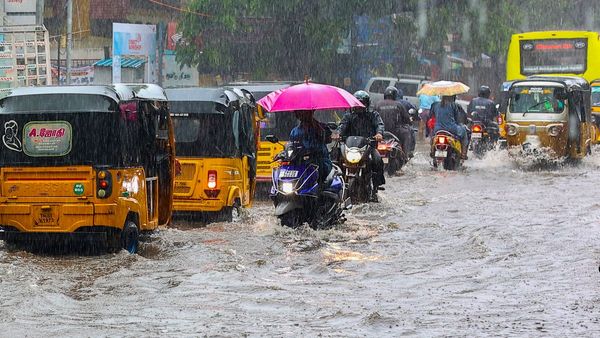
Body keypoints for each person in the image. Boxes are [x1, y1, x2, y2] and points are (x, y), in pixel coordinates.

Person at [335, 90, 385, 202]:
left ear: (366, 104)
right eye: (357, 103)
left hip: (368, 147)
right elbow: (342, 126)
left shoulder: (373, 115)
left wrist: (379, 134)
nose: (359, 106)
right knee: (335, 157)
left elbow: (379, 125)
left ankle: (376, 186)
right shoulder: (348, 116)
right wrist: (338, 134)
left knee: (377, 160)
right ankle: (336, 185)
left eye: (361, 103)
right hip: (350, 148)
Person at [289, 110, 332, 183]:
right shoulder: (295, 131)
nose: (301, 116)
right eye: (299, 113)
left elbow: (328, 140)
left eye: (303, 113)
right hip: (300, 163)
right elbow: (292, 145)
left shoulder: (321, 128)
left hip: (319, 162)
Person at [375, 86, 413, 160]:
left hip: (380, 132)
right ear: (395, 95)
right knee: (407, 132)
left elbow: (373, 118)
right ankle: (405, 156)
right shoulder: (398, 105)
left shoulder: (377, 104)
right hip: (396, 132)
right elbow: (406, 119)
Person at [430, 95, 469, 159]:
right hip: (451, 128)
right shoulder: (453, 105)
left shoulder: (435, 105)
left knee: (432, 136)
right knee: (464, 130)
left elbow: (431, 116)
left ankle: (432, 150)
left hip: (437, 129)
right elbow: (458, 119)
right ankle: (463, 153)